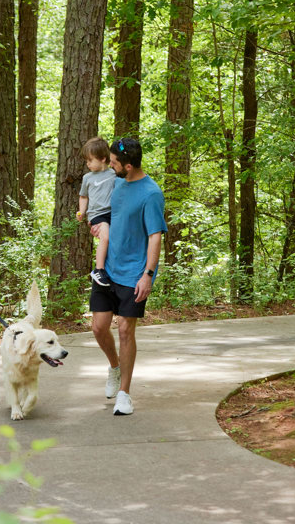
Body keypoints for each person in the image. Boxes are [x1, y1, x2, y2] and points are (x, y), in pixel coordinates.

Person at [89, 137, 166, 416]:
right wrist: (97, 226)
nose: (110, 165)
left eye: (114, 163)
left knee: (124, 330)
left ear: (129, 166)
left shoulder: (151, 193)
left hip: (134, 273)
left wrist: (147, 275)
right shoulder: (117, 182)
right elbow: (107, 214)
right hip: (108, 269)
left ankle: (125, 393)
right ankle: (114, 366)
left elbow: (155, 236)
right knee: (98, 328)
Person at [77, 137, 116, 287]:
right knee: (104, 237)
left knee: (113, 240)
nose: (87, 164)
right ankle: (99, 269)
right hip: (97, 214)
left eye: (90, 160)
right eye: (86, 160)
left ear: (103, 159)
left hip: (113, 213)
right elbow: (83, 196)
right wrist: (82, 211)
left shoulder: (113, 174)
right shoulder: (87, 178)